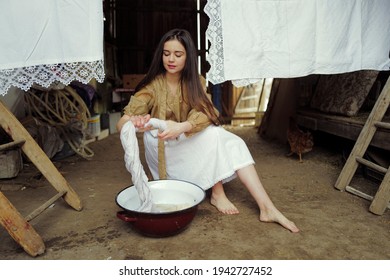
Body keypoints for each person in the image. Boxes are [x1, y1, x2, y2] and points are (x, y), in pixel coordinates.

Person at [116, 29, 299, 233]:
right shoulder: (152, 85)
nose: (171, 59)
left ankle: (267, 207)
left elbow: (209, 112)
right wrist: (135, 121)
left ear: (188, 57)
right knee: (214, 135)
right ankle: (217, 193)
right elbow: (121, 123)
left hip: (184, 135)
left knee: (226, 138)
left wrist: (183, 126)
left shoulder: (196, 82)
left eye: (178, 54)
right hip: (163, 145)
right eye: (166, 53)